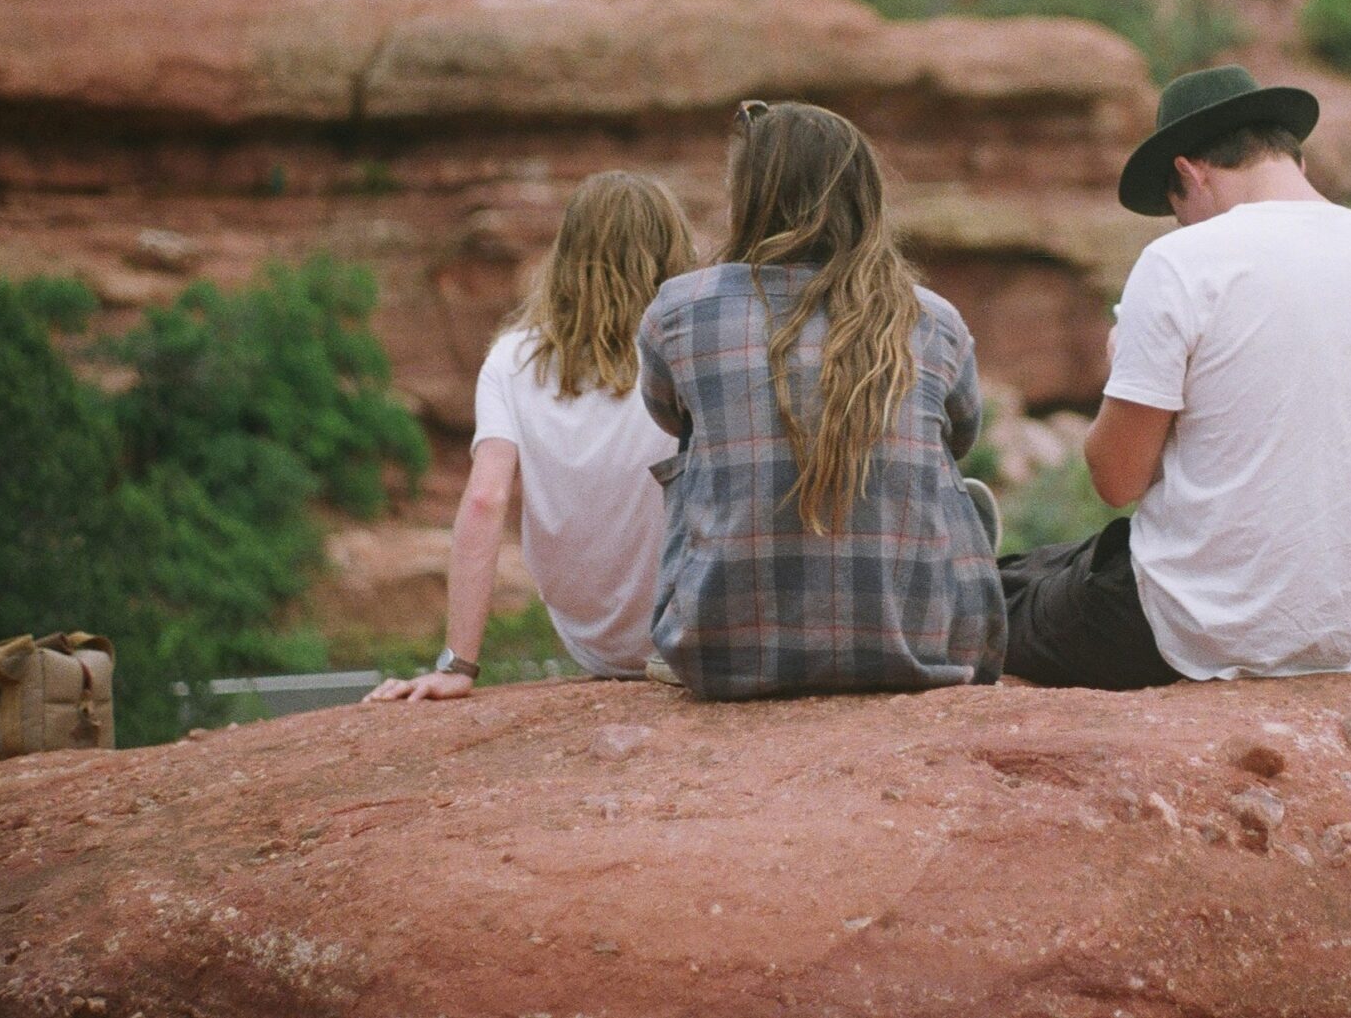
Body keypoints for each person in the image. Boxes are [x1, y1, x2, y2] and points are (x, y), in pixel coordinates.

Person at [999, 65, 1351, 689]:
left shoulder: (1182, 262)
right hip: (1348, 632)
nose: (1178, 223)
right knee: (1057, 564)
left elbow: (1115, 478)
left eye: (1174, 207)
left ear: (1190, 172)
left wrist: (1122, 373)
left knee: (997, 597)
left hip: (1188, 630)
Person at [634, 99, 1004, 699]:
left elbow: (668, 414)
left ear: (749, 195)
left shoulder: (678, 310)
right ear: (865, 196)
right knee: (957, 485)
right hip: (913, 651)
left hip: (719, 653)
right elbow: (962, 436)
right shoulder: (932, 318)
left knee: (700, 442)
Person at [370, 171, 697, 703]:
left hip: (593, 644)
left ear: (565, 256)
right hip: (690, 635)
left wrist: (458, 664)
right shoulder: (691, 348)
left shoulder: (511, 360)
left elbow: (484, 500)